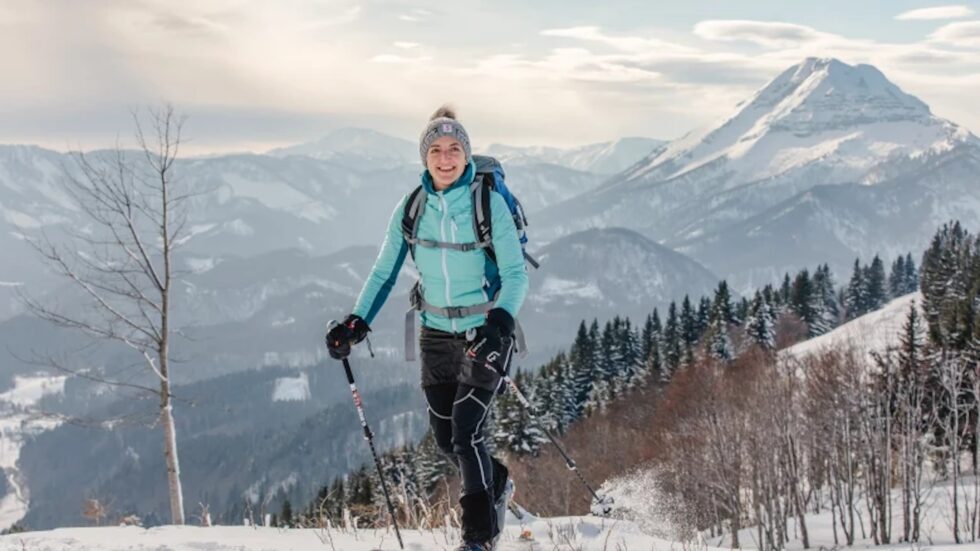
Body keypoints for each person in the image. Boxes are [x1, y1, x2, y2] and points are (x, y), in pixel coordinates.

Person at [326, 105, 529, 551]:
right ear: (424, 156)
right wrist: (356, 323)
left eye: (455, 148)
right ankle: (497, 482)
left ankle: (477, 538)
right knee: (445, 439)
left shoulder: (487, 202)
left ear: (466, 154)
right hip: (435, 333)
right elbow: (383, 273)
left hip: (485, 334)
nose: (445, 157)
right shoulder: (411, 207)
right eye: (436, 149)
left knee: (466, 431)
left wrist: (499, 324)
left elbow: (516, 275)